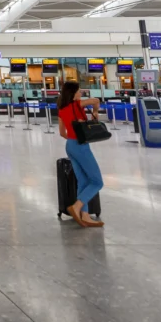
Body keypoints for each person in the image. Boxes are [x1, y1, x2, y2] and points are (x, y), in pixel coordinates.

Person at [56, 80, 104, 228]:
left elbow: (62, 133)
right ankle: (76, 207)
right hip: (81, 146)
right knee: (97, 181)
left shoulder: (62, 109)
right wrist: (95, 111)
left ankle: (85, 215)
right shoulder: (77, 105)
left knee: (83, 182)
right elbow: (96, 100)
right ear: (73, 93)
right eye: (79, 91)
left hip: (70, 145)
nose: (81, 93)